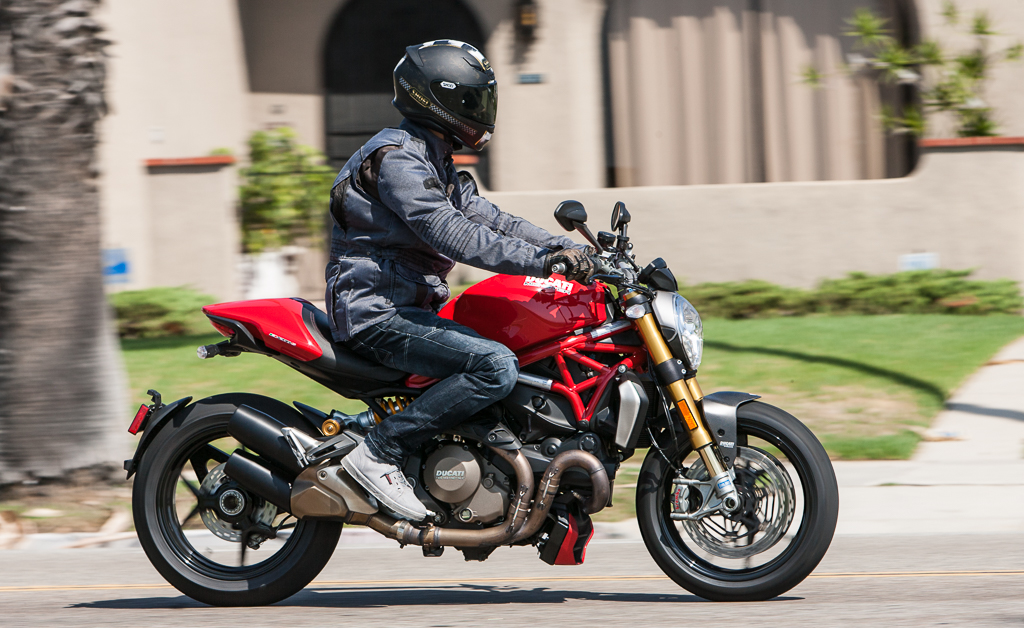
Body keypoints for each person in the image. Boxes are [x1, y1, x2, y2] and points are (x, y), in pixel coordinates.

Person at [327, 40, 595, 521]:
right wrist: (544, 263)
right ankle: (379, 452)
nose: (482, 111)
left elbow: (493, 219)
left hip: (410, 307)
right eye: (472, 100)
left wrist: (566, 249)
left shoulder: (437, 162)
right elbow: (454, 234)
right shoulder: (397, 159)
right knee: (494, 365)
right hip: (377, 312)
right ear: (437, 99)